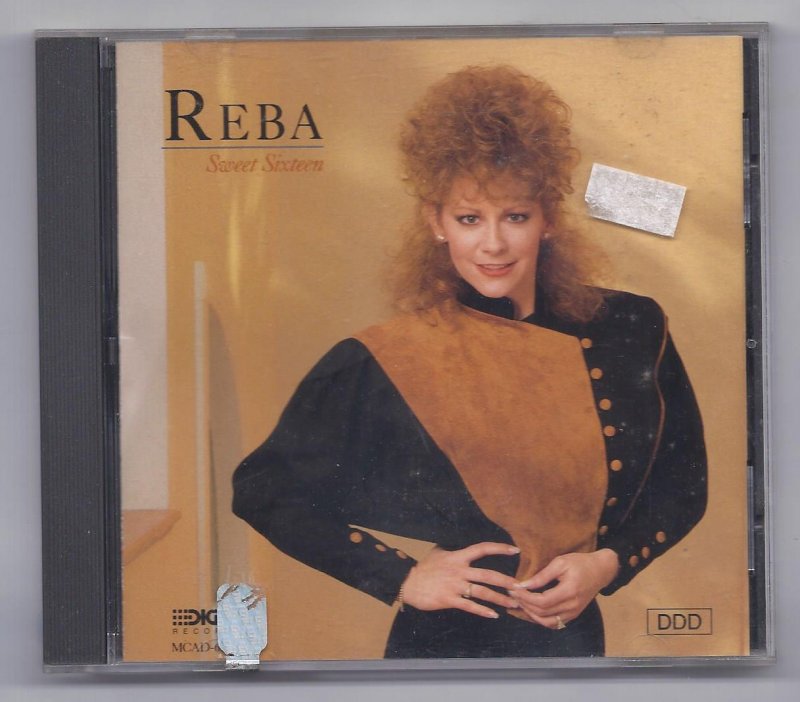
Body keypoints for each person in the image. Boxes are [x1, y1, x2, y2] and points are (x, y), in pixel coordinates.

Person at [232, 65, 707, 659]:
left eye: (515, 216)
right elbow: (263, 488)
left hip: (572, 639)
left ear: (548, 219)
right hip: (440, 645)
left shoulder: (630, 327)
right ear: (436, 223)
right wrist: (402, 576)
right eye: (469, 219)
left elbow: (683, 483)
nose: (493, 244)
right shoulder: (390, 355)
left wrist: (606, 564)